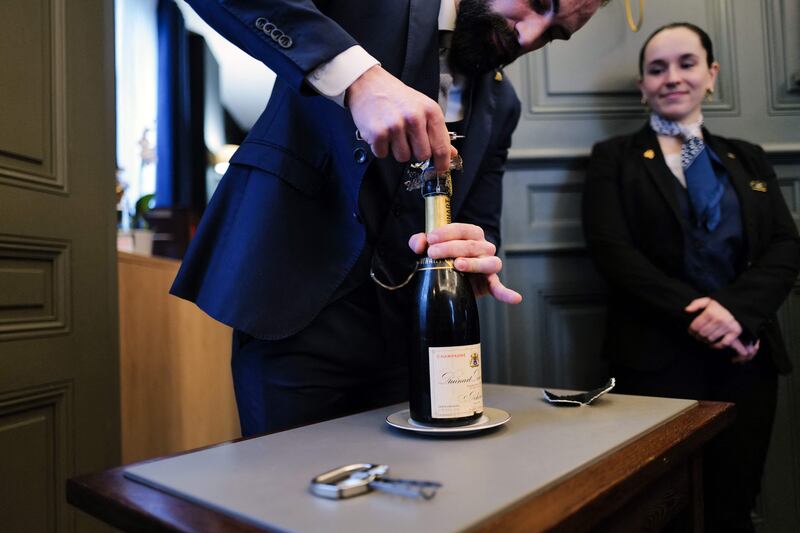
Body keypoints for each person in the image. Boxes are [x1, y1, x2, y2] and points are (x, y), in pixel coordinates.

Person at [172, 0, 606, 436]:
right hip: (294, 309)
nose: (529, 36)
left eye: (553, 33)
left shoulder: (503, 105)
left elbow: (480, 221)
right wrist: (359, 79)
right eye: (539, 4)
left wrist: (474, 255)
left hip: (409, 340)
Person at [582, 22, 800, 533]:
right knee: (661, 512)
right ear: (643, 86)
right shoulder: (613, 159)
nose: (672, 78)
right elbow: (615, 254)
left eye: (686, 64)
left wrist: (735, 315)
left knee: (733, 503)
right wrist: (699, 315)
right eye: (657, 69)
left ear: (711, 75)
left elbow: (785, 246)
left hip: (745, 359)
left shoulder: (749, 157)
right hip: (655, 362)